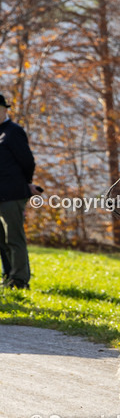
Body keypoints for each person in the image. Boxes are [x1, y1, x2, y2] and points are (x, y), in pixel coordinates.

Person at [0, 93, 36, 289]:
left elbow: (27, 162)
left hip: (12, 195)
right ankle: (8, 276)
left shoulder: (13, 132)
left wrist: (26, 184)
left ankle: (20, 280)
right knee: (1, 241)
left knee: (14, 239)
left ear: (5, 110)